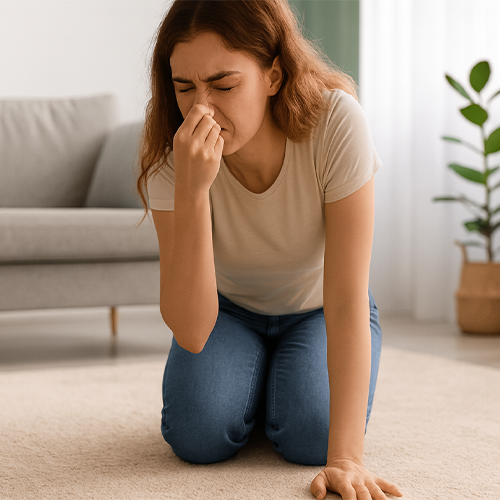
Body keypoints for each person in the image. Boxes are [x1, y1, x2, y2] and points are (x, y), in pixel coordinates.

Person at [137, 0, 403, 498]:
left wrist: (345, 458)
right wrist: (193, 192)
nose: (201, 110)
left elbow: (346, 298)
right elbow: (192, 331)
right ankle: (255, 380)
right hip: (226, 313)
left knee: (312, 438)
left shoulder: (336, 124)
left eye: (223, 85)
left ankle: (270, 386)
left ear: (274, 75)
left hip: (319, 308)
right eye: (184, 87)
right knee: (197, 436)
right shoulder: (171, 153)